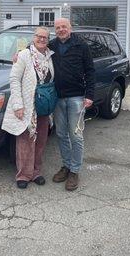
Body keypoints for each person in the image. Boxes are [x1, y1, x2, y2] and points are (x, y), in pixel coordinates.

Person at [2, 26, 55, 189]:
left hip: (44, 106)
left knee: (40, 140)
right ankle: (23, 175)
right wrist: (18, 105)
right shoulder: (24, 55)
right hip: (27, 105)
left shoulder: (50, 56)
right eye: (39, 36)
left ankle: (36, 172)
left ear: (48, 40)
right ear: (33, 38)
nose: (41, 39)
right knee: (25, 140)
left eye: (45, 37)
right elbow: (14, 79)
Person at [49, 18, 95, 191]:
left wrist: (89, 95)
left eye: (64, 27)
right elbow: (34, 51)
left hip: (76, 97)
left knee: (75, 135)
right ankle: (66, 166)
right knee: (61, 134)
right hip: (58, 98)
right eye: (58, 27)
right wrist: (18, 54)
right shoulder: (51, 46)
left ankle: (75, 171)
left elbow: (90, 70)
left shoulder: (81, 45)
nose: (61, 29)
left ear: (70, 28)